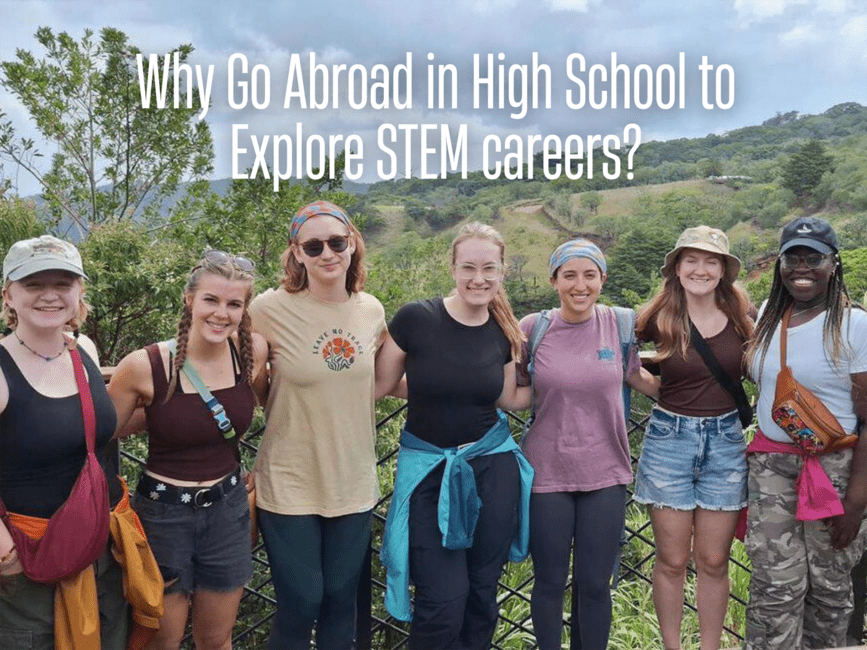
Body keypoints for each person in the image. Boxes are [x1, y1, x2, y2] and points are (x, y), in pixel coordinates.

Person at [377, 221, 535, 650]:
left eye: (489, 268)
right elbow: (381, 384)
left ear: (503, 271)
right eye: (468, 267)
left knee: (483, 593)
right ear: (452, 267)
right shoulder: (416, 318)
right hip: (430, 472)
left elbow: (507, 398)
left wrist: (567, 378)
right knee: (443, 601)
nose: (478, 278)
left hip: (493, 468)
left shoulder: (503, 331)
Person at [0, 235, 162, 649]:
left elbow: (95, 432)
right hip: (34, 556)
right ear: (9, 295)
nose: (50, 296)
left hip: (103, 548)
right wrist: (6, 553)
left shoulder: (83, 350)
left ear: (79, 293)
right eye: (34, 284)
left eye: (63, 283)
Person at [109, 250, 268, 650]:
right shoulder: (144, 366)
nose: (221, 313)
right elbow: (99, 433)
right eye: (211, 300)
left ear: (245, 309)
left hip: (228, 509)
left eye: (234, 304)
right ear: (189, 300)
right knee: (162, 640)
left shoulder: (251, 353)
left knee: (216, 640)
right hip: (164, 517)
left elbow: (269, 401)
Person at [248, 200, 389, 650]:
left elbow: (383, 379)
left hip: (352, 480)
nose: (327, 253)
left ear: (353, 246)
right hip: (289, 479)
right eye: (313, 246)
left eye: (336, 242)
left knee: (340, 604)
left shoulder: (371, 311)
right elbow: (243, 376)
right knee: (301, 601)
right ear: (297, 253)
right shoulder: (269, 308)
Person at [517, 238, 659, 650]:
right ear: (554, 281)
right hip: (547, 474)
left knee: (595, 584)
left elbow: (638, 377)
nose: (580, 285)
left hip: (605, 472)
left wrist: (700, 402)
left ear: (603, 280)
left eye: (590, 275)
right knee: (548, 582)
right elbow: (515, 389)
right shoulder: (533, 328)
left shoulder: (620, 324)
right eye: (570, 275)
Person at [743, 216, 867, 650]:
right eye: (792, 257)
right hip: (771, 467)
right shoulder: (766, 315)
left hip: (835, 471)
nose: (802, 267)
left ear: (834, 264)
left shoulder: (854, 325)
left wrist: (856, 501)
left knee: (829, 590)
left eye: (813, 258)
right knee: (773, 586)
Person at [632, 226, 753, 650]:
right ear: (677, 268)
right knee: (672, 559)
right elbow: (621, 357)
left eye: (711, 261)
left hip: (725, 441)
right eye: (691, 260)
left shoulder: (742, 317)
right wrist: (654, 389)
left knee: (715, 560)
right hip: (670, 440)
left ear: (723, 270)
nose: (700, 269)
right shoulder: (657, 317)